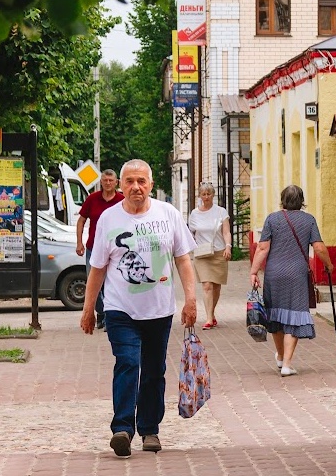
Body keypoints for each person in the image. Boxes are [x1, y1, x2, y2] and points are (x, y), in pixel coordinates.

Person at [81, 159, 198, 458]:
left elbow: (183, 259)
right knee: (128, 362)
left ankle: (150, 429)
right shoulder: (109, 219)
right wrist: (88, 309)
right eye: (130, 181)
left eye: (141, 181)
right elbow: (98, 268)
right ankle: (122, 428)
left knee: (154, 372)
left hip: (159, 310)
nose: (136, 187)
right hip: (120, 309)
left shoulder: (167, 214)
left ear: (150, 183)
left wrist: (191, 299)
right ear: (120, 185)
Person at [249, 184, 332, 377]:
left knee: (275, 315)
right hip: (296, 274)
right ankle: (286, 363)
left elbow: (262, 248)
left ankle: (280, 356)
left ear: (282, 200)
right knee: (294, 314)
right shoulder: (308, 220)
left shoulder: (273, 218)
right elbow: (319, 248)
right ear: (301, 201)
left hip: (274, 274)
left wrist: (254, 272)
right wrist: (328, 265)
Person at [76, 169, 123, 330]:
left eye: (111, 180)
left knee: (112, 283)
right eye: (105, 180)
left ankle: (108, 317)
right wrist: (79, 243)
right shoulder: (92, 199)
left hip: (115, 249)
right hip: (93, 248)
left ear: (116, 182)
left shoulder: (122, 200)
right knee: (93, 283)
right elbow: (81, 221)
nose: (108, 183)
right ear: (101, 182)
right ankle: (102, 313)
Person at [187, 183, 231, 329]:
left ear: (213, 195)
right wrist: (190, 247)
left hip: (219, 252)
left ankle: (211, 313)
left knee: (216, 286)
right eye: (203, 194)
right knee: (207, 285)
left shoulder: (221, 212)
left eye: (209, 194)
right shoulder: (194, 214)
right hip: (201, 254)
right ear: (199, 195)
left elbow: (226, 232)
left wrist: (228, 247)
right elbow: (190, 233)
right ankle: (208, 318)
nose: (206, 197)